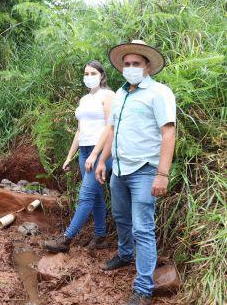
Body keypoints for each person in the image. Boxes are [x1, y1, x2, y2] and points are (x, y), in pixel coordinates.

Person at [95, 40, 176, 305]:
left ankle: (143, 288)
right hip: (119, 169)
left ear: (147, 66)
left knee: (143, 228)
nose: (130, 68)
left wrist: (162, 174)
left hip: (144, 170)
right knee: (120, 217)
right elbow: (113, 130)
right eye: (126, 64)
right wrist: (102, 161)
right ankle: (125, 253)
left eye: (136, 64)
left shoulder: (159, 93)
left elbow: (168, 132)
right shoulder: (120, 94)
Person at [43, 60, 115, 253]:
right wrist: (69, 156)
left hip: (100, 151)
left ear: (102, 75)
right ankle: (100, 237)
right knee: (97, 196)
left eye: (93, 73)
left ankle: (66, 240)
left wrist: (95, 154)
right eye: (86, 74)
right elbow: (79, 130)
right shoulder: (84, 100)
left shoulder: (108, 95)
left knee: (85, 196)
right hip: (84, 151)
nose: (89, 77)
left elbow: (110, 128)